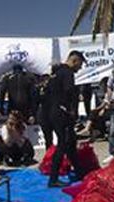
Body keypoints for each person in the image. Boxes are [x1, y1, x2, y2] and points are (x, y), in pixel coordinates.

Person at [46, 50, 86, 188]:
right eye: (79, 65)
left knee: (70, 143)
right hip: (62, 113)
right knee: (63, 144)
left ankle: (80, 172)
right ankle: (53, 179)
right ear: (74, 60)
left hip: (53, 111)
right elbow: (70, 93)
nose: (79, 68)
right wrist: (72, 111)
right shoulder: (68, 73)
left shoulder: (56, 73)